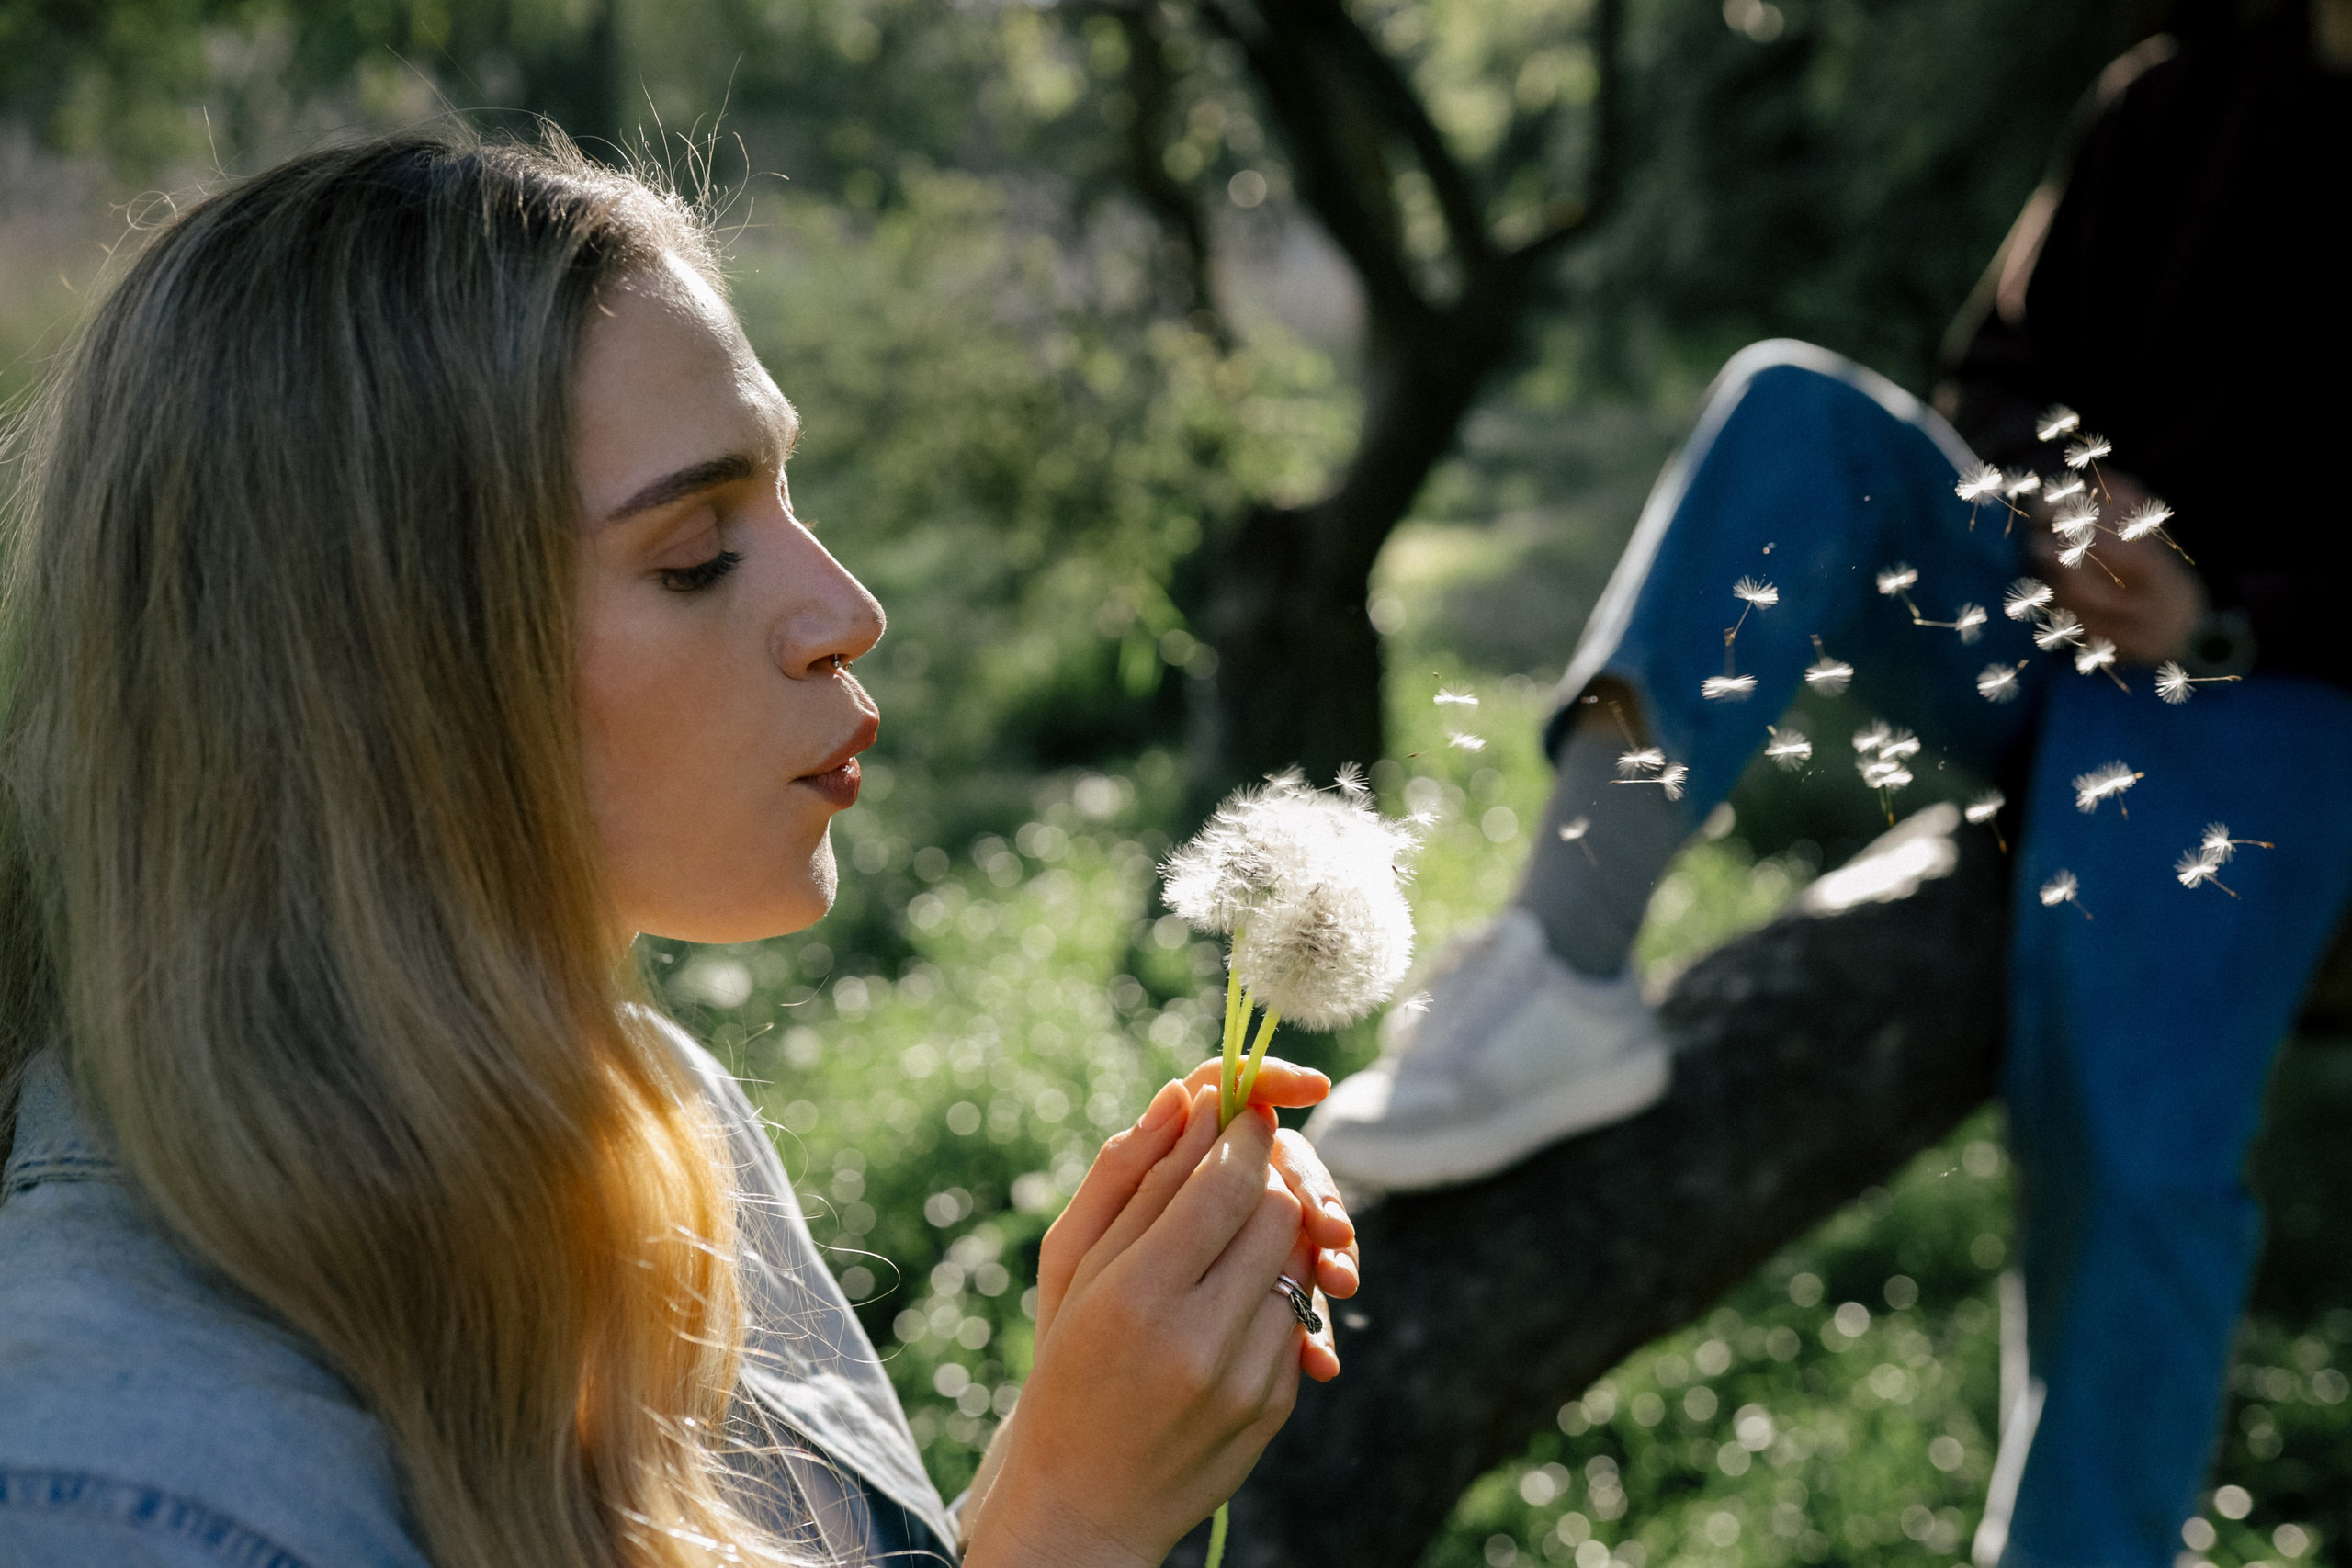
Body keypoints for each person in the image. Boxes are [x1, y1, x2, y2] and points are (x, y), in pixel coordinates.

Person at [0, 132, 1363, 1567]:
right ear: (373, 671)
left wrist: (1051, 1459)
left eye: (785, 494)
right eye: (695, 554)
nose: (847, 606)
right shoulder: (113, 1493)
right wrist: (1078, 1526)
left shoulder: (644, 1110)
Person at [1307, 3, 2352, 1563]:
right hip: (2052, 612)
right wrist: (2068, 502)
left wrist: (2232, 615)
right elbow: (2001, 372)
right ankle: (1560, 971)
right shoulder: (2175, 93)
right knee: (1795, 415)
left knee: (2136, 1158)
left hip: (2265, 691)